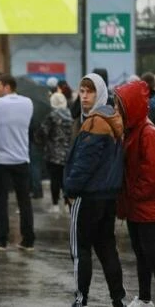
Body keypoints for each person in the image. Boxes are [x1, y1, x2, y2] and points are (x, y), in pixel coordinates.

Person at [64, 74, 126, 307]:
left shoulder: (95, 121)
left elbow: (84, 163)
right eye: (81, 91)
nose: (84, 96)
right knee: (107, 247)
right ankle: (118, 298)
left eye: (89, 91)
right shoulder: (113, 117)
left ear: (99, 93)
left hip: (88, 195)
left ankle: (81, 299)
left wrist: (70, 189)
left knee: (80, 250)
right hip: (108, 194)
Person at [114, 80, 155, 307]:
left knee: (150, 254)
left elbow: (151, 173)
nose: (117, 110)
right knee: (141, 254)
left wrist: (136, 195)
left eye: (120, 105)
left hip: (146, 208)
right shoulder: (133, 130)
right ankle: (145, 298)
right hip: (136, 207)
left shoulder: (147, 132)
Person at [0, 74, 35, 251]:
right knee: (24, 201)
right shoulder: (28, 103)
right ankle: (28, 239)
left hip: (0, 159)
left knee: (1, 200)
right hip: (22, 158)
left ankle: (1, 239)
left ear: (7, 87)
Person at [35, 92, 73, 214]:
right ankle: (67, 204)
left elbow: (43, 131)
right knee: (65, 180)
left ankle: (55, 205)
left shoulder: (52, 116)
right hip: (67, 153)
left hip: (53, 154)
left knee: (55, 179)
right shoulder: (69, 114)